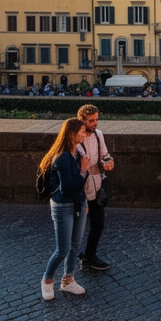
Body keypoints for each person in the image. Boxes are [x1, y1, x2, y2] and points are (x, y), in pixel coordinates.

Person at [39, 118, 89, 300]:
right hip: (63, 205)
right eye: (82, 131)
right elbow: (68, 188)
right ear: (71, 134)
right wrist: (84, 170)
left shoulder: (77, 152)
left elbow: (79, 187)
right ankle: (47, 280)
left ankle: (68, 279)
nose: (84, 134)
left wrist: (85, 203)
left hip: (79, 203)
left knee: (75, 245)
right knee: (63, 249)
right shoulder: (61, 157)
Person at [76, 104, 114, 272]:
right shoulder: (75, 138)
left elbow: (104, 154)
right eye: (91, 121)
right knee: (76, 228)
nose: (95, 123)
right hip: (80, 191)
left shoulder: (99, 135)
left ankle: (89, 257)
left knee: (98, 224)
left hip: (97, 187)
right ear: (82, 121)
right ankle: (74, 259)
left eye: (96, 119)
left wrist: (107, 161)